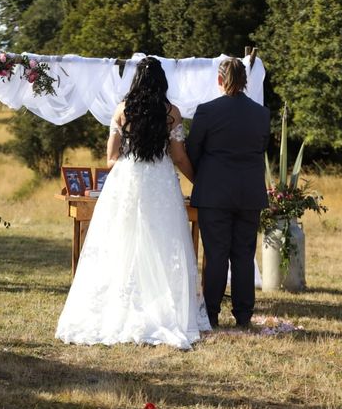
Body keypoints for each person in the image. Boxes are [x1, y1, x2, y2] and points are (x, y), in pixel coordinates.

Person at [56, 57, 210, 349]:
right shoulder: (171, 113)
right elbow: (178, 157)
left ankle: (119, 305)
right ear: (162, 81)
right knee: (163, 242)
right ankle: (161, 306)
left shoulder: (121, 111)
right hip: (160, 182)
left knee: (121, 241)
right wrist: (199, 180)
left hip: (127, 180)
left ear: (136, 80)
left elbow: (110, 159)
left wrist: (129, 162)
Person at [186, 57, 270, 329]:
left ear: (219, 80)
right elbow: (260, 149)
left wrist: (208, 176)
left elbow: (193, 151)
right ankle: (244, 315)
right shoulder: (261, 113)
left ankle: (211, 313)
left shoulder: (207, 111)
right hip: (249, 193)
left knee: (216, 253)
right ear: (245, 82)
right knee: (244, 254)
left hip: (214, 193)